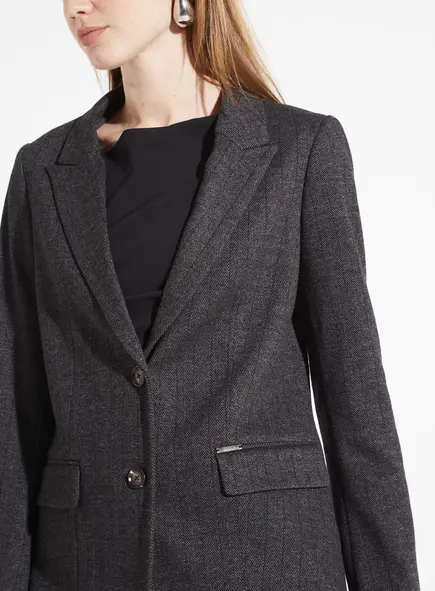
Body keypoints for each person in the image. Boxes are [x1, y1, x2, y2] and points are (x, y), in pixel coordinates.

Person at [0, 0, 421, 590]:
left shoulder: (299, 149)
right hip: (86, 561)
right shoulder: (43, 170)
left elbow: (355, 396)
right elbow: (16, 406)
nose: (77, 7)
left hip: (263, 558)